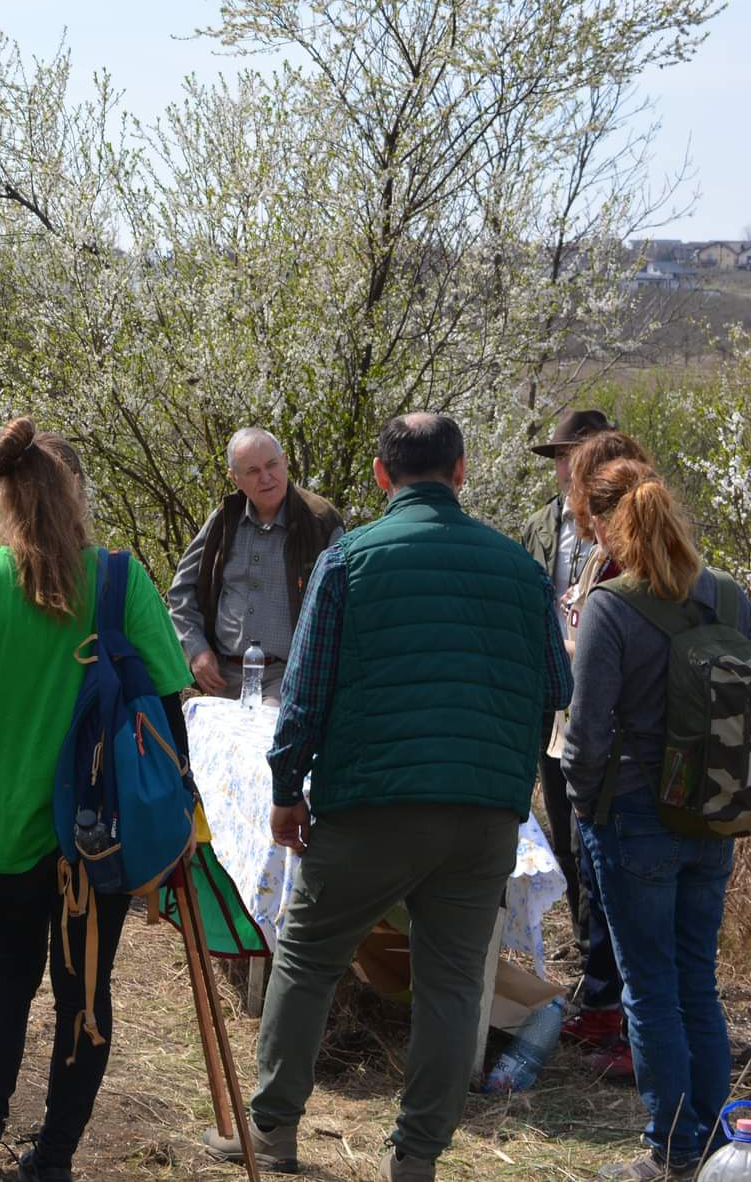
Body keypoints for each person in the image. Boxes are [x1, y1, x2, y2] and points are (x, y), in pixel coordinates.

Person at [204, 413, 572, 1182]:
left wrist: (286, 790)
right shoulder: (522, 569)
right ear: (462, 472)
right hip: (482, 816)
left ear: (381, 476)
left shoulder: (349, 561)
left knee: (308, 957)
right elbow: (556, 687)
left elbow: (305, 694)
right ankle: (416, 1159)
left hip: (369, 806)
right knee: (453, 983)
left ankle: (272, 1134)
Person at [0, 419, 192, 1182]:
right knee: (85, 992)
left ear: (4, 497)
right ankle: (56, 1159)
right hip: (102, 832)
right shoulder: (120, 580)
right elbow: (168, 705)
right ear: (77, 495)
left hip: (4, 821)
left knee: (6, 974)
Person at [564, 461, 746, 1182]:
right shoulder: (729, 596)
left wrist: (585, 806)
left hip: (635, 816)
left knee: (648, 987)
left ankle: (671, 1150)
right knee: (696, 979)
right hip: (714, 814)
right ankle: (717, 1146)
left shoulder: (611, 607)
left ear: (605, 526)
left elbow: (585, 736)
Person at [529, 417, 648, 1077]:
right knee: (583, 862)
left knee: (619, 880)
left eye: (571, 460)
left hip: (618, 739)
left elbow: (620, 638)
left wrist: (573, 645)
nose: (563, 472)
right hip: (572, 719)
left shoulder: (633, 549)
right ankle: (601, 992)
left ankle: (626, 1017)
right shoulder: (561, 531)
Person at [166, 427, 342, 703]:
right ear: (234, 477)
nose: (266, 477)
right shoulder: (224, 520)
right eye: (253, 471)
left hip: (289, 677)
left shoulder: (320, 521)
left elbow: (343, 605)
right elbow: (180, 593)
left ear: (285, 461)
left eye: (271, 465)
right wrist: (197, 651)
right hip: (222, 678)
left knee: (264, 730)